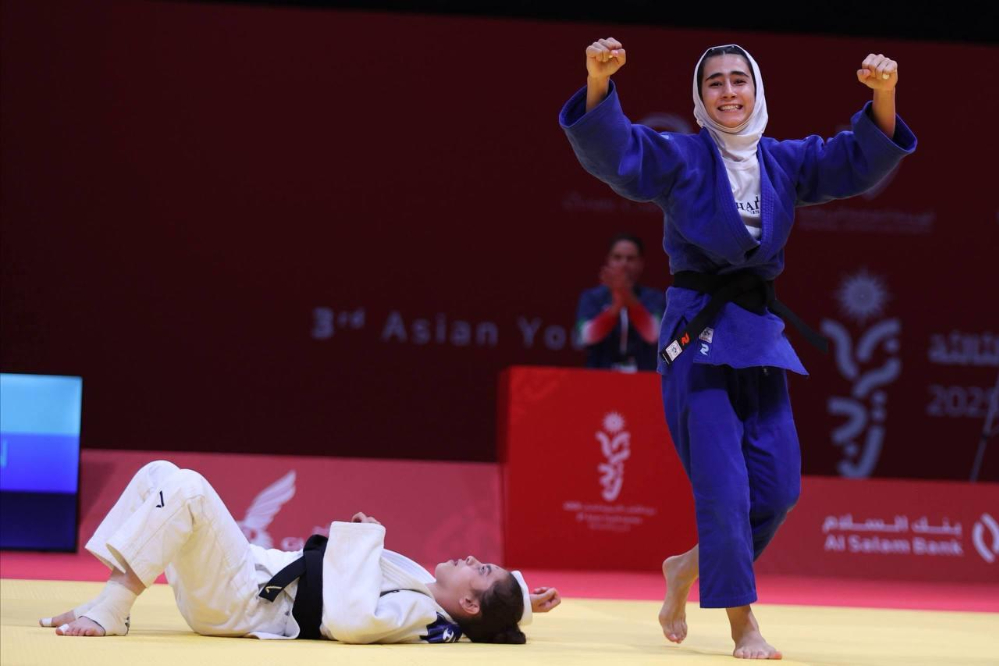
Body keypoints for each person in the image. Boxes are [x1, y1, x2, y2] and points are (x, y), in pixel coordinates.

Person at [560, 39, 915, 659]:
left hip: (756, 332)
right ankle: (742, 624)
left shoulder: (783, 161)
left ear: (757, 91)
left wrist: (883, 96)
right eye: (715, 82)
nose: (729, 92)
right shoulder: (682, 157)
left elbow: (855, 162)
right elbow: (618, 153)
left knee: (777, 492)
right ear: (700, 98)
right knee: (724, 489)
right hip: (697, 332)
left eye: (739, 80)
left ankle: (685, 567)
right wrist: (597, 82)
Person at [40, 460, 561, 643]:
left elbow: (353, 622)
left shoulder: (423, 616)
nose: (470, 558)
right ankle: (106, 600)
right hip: (246, 582)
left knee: (190, 489)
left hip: (245, 601)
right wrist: (521, 603)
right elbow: (491, 609)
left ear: (468, 604)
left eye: (482, 569)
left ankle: (113, 609)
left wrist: (366, 540)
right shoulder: (428, 595)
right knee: (160, 474)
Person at [576, 233, 665, 371]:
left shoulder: (655, 298)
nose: (624, 264)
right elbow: (586, 336)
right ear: (608, 261)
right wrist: (616, 307)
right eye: (617, 257)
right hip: (600, 374)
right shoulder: (591, 297)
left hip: (644, 375)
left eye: (630, 259)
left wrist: (628, 298)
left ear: (641, 263)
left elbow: (653, 335)